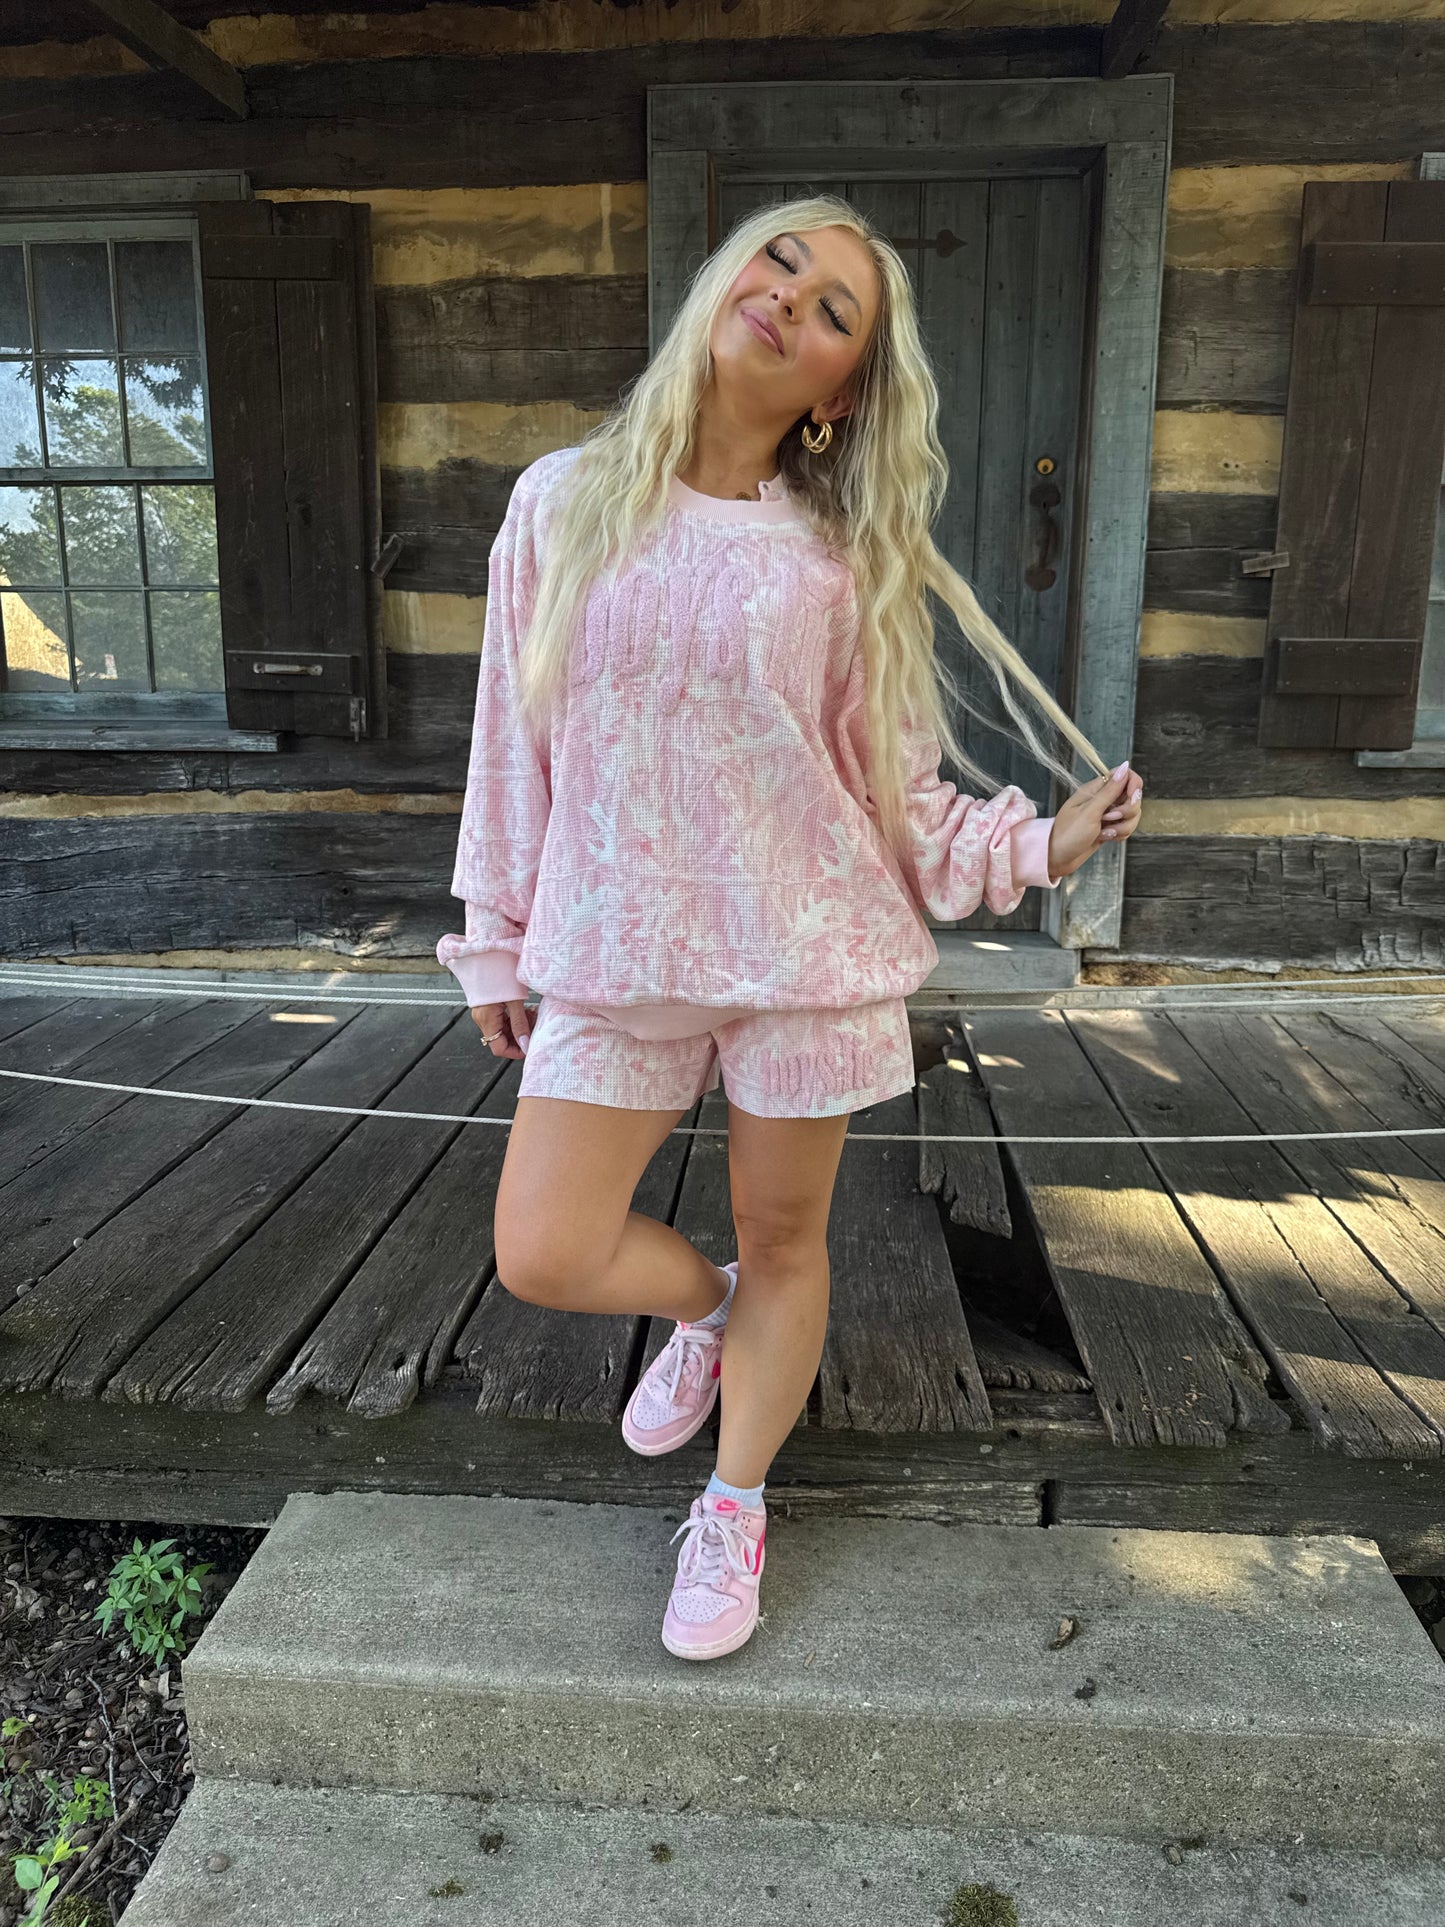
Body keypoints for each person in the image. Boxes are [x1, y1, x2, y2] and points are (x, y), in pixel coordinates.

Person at [436, 193, 1143, 1662]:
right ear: (724, 279)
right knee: (546, 1249)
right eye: (782, 262)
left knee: (787, 1235)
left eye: (836, 312)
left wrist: (1036, 844)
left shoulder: (834, 559)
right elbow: (511, 733)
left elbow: (891, 785)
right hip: (617, 938)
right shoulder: (560, 502)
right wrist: (494, 937)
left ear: (840, 392)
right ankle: (707, 1312)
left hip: (803, 951)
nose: (791, 301)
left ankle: (737, 1499)